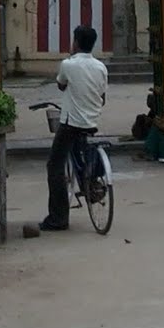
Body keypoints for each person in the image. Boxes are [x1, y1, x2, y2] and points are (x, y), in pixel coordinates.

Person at [41, 24, 108, 231]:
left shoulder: (68, 64)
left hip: (71, 123)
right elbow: (102, 96)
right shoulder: (100, 67)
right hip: (92, 120)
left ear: (76, 42)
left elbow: (61, 85)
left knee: (54, 166)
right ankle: (92, 181)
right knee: (82, 151)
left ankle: (58, 218)